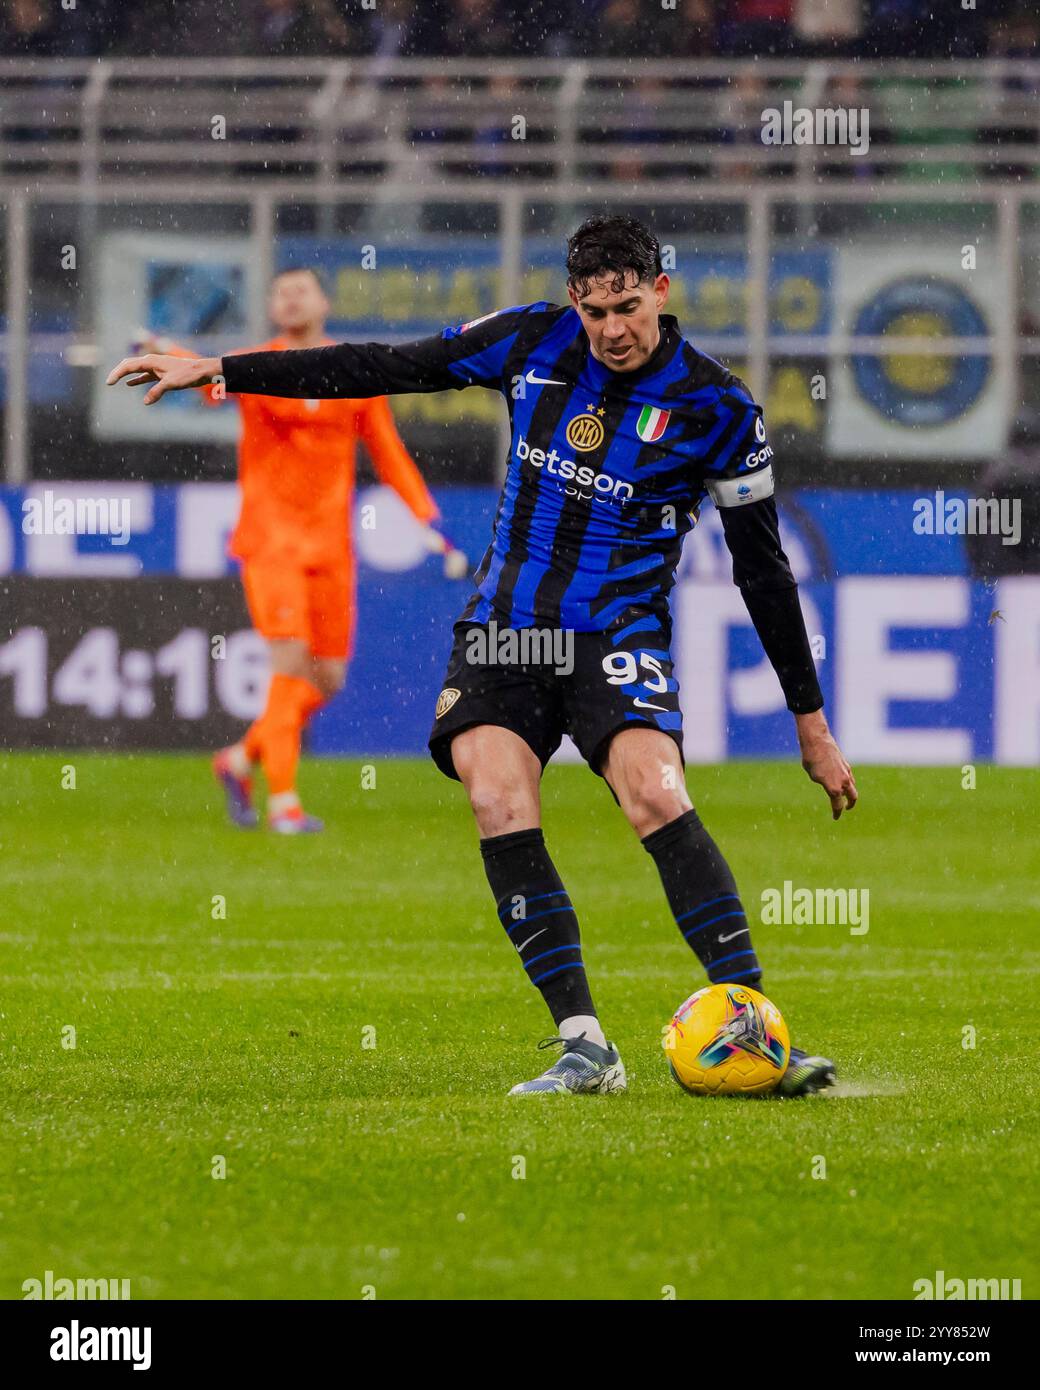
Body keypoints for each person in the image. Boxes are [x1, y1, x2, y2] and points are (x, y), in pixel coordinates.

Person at [108, 215, 857, 1093]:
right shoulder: (532, 340)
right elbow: (381, 367)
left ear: (660, 290)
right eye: (594, 310)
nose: (612, 330)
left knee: (655, 795)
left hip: (616, 631)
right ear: (573, 301)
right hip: (505, 627)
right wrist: (224, 370)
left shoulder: (719, 408)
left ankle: (754, 1033)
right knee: (498, 799)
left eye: (627, 307)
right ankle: (586, 1046)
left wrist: (811, 722)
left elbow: (764, 573)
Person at [136, 266, 465, 833]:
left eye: (300, 290)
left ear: (324, 300)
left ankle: (239, 759)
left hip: (332, 548)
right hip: (270, 542)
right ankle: (284, 804)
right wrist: (169, 351)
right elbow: (204, 380)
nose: (289, 299)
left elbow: (388, 454)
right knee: (289, 665)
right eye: (280, 292)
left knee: (328, 678)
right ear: (271, 307)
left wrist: (428, 522)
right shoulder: (256, 366)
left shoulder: (353, 372)